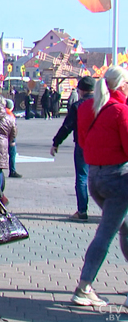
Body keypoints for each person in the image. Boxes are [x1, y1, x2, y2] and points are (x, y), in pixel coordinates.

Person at [71, 66, 128, 306]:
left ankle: (85, 286)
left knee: (124, 227)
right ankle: (84, 285)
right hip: (118, 178)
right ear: (121, 86)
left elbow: (83, 141)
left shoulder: (87, 107)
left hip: (95, 176)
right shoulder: (120, 111)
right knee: (106, 233)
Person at [51, 76, 96, 221]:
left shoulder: (77, 106)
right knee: (102, 176)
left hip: (82, 145)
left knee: (82, 178)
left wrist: (56, 142)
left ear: (81, 90)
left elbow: (67, 127)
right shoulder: (101, 104)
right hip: (101, 145)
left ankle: (82, 211)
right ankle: (106, 211)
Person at [0, 95, 16, 204]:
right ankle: (0, 195)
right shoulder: (9, 117)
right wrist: (9, 140)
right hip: (2, 144)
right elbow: (14, 132)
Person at [5, 99, 22, 178]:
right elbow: (13, 128)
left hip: (2, 136)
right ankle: (12, 170)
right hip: (10, 136)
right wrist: (13, 139)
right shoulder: (10, 114)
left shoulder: (1, 112)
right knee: (12, 154)